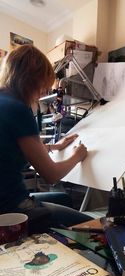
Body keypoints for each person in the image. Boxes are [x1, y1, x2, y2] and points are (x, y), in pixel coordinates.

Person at [0, 44, 92, 233]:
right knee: (90, 226)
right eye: (42, 85)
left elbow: (9, 148)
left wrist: (53, 147)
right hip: (10, 208)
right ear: (30, 80)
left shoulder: (4, 101)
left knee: (63, 198)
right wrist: (77, 155)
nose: (43, 92)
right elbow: (51, 175)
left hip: (5, 200)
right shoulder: (18, 109)